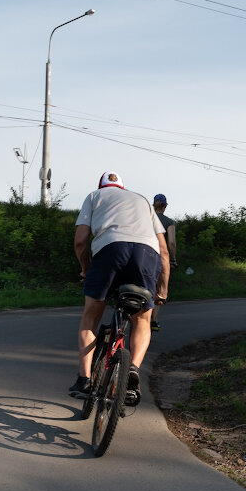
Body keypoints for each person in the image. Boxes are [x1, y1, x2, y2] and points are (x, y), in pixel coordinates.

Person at [69, 172, 170, 407]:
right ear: (123, 189)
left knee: (91, 316)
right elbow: (164, 251)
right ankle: (132, 370)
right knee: (142, 320)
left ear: (102, 186)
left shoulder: (95, 196)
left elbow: (81, 240)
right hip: (147, 254)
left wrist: (85, 269)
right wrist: (162, 289)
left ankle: (84, 380)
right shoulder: (143, 200)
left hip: (110, 250)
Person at [150, 193, 177, 331]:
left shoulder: (146, 219)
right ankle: (153, 321)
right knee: (159, 289)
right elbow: (171, 243)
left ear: (154, 204)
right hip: (160, 258)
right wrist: (172, 260)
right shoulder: (169, 222)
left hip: (143, 255)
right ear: (165, 206)